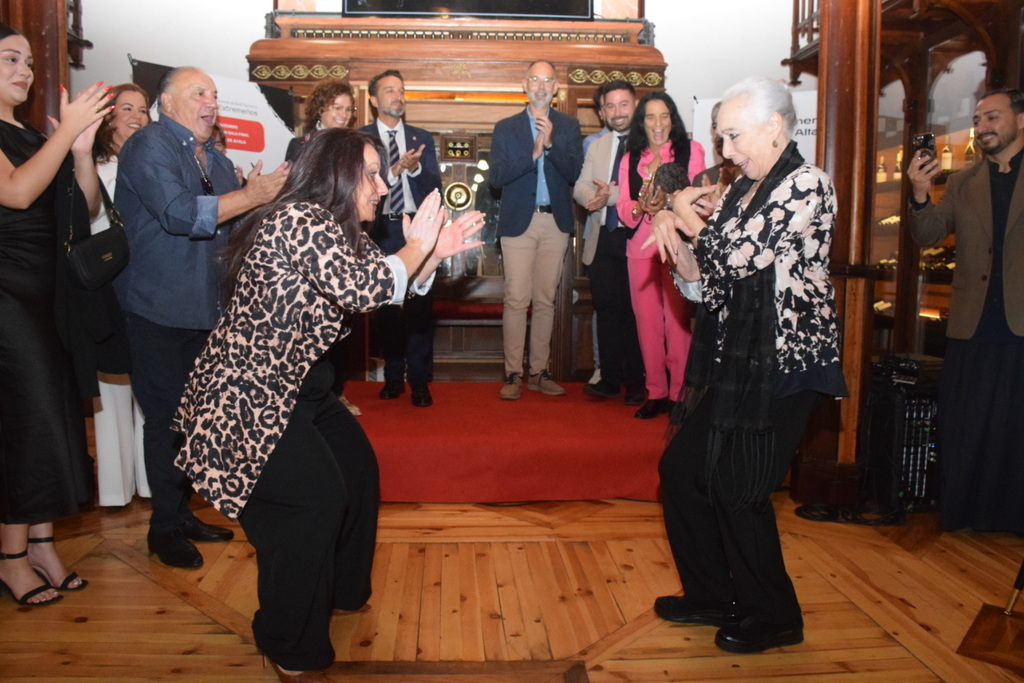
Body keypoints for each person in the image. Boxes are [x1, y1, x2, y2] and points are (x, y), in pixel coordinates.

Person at [172, 127, 484, 682]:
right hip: (251, 394)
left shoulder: (337, 229)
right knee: (311, 501)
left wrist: (430, 256)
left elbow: (379, 287)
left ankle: (338, 592)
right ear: (333, 173)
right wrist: (417, 247)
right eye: (370, 172)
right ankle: (288, 641)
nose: (382, 185)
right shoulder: (299, 220)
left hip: (303, 385)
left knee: (357, 472)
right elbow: (368, 289)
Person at [645, 76, 846, 653]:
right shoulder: (738, 194)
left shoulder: (810, 186)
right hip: (736, 363)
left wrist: (682, 211)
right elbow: (708, 287)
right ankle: (711, 593)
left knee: (740, 489)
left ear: (774, 126)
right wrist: (678, 245)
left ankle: (775, 615)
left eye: (734, 136)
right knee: (683, 473)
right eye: (721, 138)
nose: (727, 152)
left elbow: (737, 256)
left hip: (788, 365)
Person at [115, 66, 289, 569]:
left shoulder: (212, 153)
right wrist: (250, 196)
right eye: (199, 93)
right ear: (166, 103)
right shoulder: (150, 146)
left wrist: (253, 197)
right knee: (167, 422)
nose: (211, 101)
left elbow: (228, 224)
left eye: (214, 93)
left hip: (205, 311)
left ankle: (183, 512)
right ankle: (164, 527)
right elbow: (180, 215)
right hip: (158, 309)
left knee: (195, 422)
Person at [0, 22, 111, 604]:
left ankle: (42, 544)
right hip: (7, 297)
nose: (26, 70)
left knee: (52, 421)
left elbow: (84, 207)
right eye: (10, 59)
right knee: (23, 425)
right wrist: (64, 131)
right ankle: (11, 557)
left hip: (48, 294)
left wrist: (82, 151)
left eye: (27, 61)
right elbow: (17, 194)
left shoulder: (26, 133)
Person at [907, 88, 1024, 535]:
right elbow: (928, 235)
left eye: (992, 116)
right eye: (978, 118)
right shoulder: (962, 182)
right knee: (967, 426)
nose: (983, 126)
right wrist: (920, 193)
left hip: (1020, 324)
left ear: (1020, 120)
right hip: (971, 325)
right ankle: (964, 514)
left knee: (1014, 429)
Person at [490, 60, 583, 400]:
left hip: (555, 222)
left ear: (556, 88)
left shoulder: (569, 126)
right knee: (516, 299)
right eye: (535, 79)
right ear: (524, 85)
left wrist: (552, 144)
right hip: (518, 223)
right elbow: (496, 178)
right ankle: (513, 374)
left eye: (548, 80)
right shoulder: (506, 127)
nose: (541, 86)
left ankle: (539, 372)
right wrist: (532, 154)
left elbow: (575, 172)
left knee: (546, 300)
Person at [617, 92, 706, 419]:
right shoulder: (629, 160)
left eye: (664, 116)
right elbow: (625, 211)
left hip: (675, 247)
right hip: (640, 249)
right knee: (648, 326)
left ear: (673, 119)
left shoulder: (690, 151)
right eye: (650, 117)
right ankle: (656, 392)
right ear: (642, 123)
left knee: (678, 324)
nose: (658, 124)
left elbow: (695, 200)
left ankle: (680, 395)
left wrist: (666, 199)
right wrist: (643, 204)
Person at [360, 69, 443, 408]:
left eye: (401, 90)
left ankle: (420, 382)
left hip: (416, 230)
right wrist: (394, 170)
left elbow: (436, 186)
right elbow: (357, 185)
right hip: (380, 230)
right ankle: (393, 378)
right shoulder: (361, 138)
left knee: (420, 308)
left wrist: (416, 168)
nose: (398, 96)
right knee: (386, 307)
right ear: (374, 100)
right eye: (390, 90)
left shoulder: (420, 137)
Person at [90, 83, 151, 507]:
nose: (136, 116)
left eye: (143, 109)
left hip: (146, 287)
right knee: (110, 391)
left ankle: (151, 484)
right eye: (126, 108)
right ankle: (114, 489)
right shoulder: (91, 168)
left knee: (149, 389)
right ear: (108, 117)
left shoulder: (154, 165)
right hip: (104, 285)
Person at [575, 80, 644, 406]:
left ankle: (637, 382)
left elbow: (647, 192)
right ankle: (610, 379)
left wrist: (612, 195)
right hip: (602, 237)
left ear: (635, 105)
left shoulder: (650, 144)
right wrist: (595, 197)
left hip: (638, 237)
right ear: (602, 111)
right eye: (611, 106)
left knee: (635, 312)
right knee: (607, 310)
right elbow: (580, 187)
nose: (617, 112)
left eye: (623, 104)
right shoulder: (597, 146)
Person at [285, 78, 356, 163]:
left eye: (348, 109)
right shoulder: (300, 145)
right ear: (320, 109)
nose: (344, 115)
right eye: (337, 108)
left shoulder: (356, 144)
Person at [693, 101, 742, 192]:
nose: (717, 132)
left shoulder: (754, 177)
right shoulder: (701, 180)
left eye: (725, 125)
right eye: (715, 126)